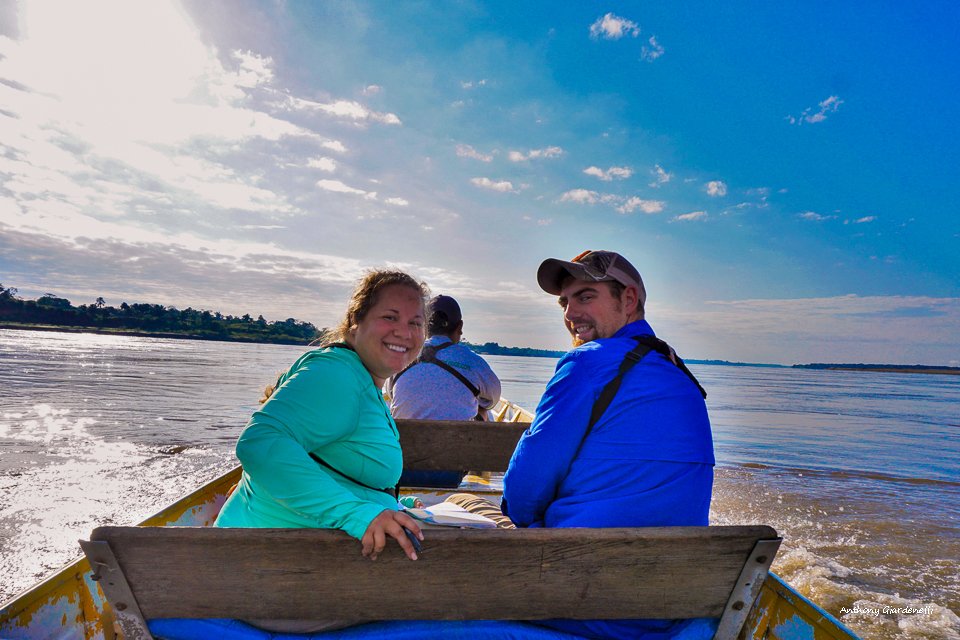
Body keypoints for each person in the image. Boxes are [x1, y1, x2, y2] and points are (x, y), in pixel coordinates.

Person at [502, 250, 715, 640]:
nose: (570, 314)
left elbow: (525, 486)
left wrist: (523, 520)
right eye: (565, 302)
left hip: (584, 595)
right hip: (673, 598)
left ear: (628, 299)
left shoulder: (588, 363)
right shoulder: (681, 375)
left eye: (586, 296)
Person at [215, 269, 428, 566]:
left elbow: (337, 468)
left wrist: (393, 504)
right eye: (390, 317)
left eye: (415, 323)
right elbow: (260, 444)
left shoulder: (361, 380)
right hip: (265, 565)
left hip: (301, 559)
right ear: (356, 322)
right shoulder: (337, 374)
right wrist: (359, 514)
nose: (404, 332)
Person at [385, 294, 501, 487]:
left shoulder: (403, 354)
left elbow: (390, 392)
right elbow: (493, 400)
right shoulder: (472, 361)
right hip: (450, 472)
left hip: (402, 469)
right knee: (483, 408)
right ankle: (480, 481)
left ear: (424, 326)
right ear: (460, 327)